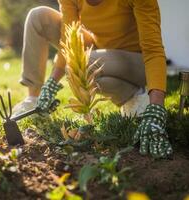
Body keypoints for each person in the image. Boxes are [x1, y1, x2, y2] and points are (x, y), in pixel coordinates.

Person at [13, 0, 173, 158]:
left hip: (137, 61)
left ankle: (143, 95)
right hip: (101, 52)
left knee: (81, 64)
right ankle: (34, 99)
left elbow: (153, 51)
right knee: (39, 16)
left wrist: (157, 107)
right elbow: (68, 39)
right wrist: (51, 84)